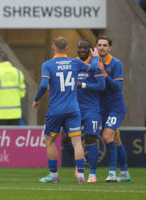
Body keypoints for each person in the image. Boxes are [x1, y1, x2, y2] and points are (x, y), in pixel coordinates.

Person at [32, 36, 99, 184]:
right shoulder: (75, 62)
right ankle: (81, 176)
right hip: (73, 108)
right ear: (67, 49)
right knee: (77, 141)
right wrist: (95, 57)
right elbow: (94, 68)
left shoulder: (48, 64)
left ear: (53, 48)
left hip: (56, 109)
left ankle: (54, 175)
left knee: (50, 140)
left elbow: (44, 85)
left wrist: (36, 99)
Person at [61, 39, 105, 183]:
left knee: (91, 139)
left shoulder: (95, 64)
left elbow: (101, 86)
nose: (82, 50)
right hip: (74, 108)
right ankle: (78, 161)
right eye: (80, 47)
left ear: (89, 49)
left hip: (91, 108)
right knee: (66, 138)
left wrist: (83, 84)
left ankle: (92, 174)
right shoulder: (74, 63)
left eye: (85, 48)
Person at [96, 35, 131, 182]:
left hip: (116, 107)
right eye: (99, 45)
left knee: (106, 136)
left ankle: (112, 172)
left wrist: (104, 74)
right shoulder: (94, 63)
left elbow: (118, 87)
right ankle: (124, 172)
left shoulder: (116, 64)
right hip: (103, 108)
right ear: (96, 47)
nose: (102, 47)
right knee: (116, 140)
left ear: (109, 48)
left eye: (105, 45)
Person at [0, 52, 26, 125]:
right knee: (13, 136)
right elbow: (22, 93)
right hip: (15, 114)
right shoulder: (18, 73)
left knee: (0, 136)